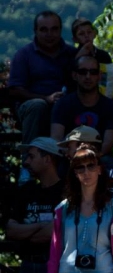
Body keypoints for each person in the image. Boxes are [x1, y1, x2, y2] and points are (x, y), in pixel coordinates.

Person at [6, 137, 65, 273]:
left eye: (31, 156)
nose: (26, 162)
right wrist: (41, 228)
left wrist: (28, 231)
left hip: (57, 269)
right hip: (28, 267)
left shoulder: (65, 192)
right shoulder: (26, 191)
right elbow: (11, 231)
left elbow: (57, 233)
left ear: (47, 158)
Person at [8, 11, 75, 183]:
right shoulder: (24, 55)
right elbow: (15, 89)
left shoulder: (71, 54)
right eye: (44, 29)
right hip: (32, 108)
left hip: (62, 108)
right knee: (38, 106)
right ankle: (28, 168)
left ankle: (71, 171)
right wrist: (46, 98)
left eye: (54, 29)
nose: (49, 34)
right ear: (36, 31)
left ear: (60, 30)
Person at [50, 55, 113, 171]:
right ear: (75, 75)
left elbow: (108, 144)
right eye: (83, 72)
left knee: (106, 162)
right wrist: (74, 156)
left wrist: (88, 159)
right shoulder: (62, 105)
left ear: (99, 76)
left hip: (100, 157)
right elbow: (56, 139)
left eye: (93, 72)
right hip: (68, 157)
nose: (88, 76)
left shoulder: (110, 106)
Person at [71, 17, 113, 99]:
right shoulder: (71, 55)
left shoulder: (103, 55)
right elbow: (69, 78)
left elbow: (110, 76)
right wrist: (78, 57)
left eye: (89, 32)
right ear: (75, 39)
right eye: (81, 34)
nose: (86, 36)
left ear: (94, 34)